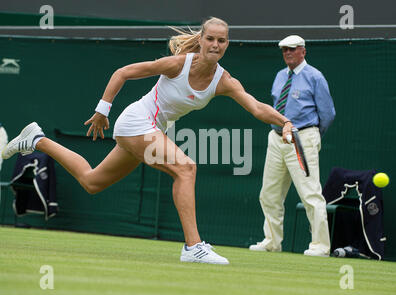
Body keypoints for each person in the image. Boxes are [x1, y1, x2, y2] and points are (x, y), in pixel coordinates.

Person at [2, 17, 294, 264]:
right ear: (202, 40)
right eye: (211, 39)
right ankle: (193, 247)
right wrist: (102, 110)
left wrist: (285, 122)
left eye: (222, 41)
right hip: (136, 122)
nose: (216, 45)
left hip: (150, 129)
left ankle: (36, 140)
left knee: (92, 182)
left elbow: (257, 107)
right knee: (186, 168)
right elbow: (124, 73)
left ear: (226, 44)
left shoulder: (224, 81)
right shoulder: (177, 64)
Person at [249, 35, 336, 257]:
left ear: (303, 51)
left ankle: (321, 246)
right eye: (284, 50)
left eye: (292, 49)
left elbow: (327, 113)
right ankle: (271, 241)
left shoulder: (315, 76)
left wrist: (310, 136)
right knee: (268, 194)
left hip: (302, 137)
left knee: (310, 193)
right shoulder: (280, 76)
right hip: (276, 137)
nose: (287, 53)